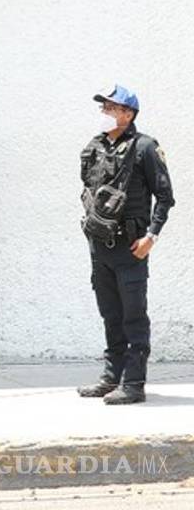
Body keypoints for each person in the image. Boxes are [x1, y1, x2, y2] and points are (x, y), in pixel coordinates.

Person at [77, 85, 174, 405]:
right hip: (99, 247)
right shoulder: (96, 146)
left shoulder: (145, 147)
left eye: (111, 108)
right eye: (103, 108)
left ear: (128, 114)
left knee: (134, 316)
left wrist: (152, 236)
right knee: (110, 314)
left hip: (131, 246)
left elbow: (165, 197)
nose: (105, 113)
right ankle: (111, 377)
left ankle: (134, 383)